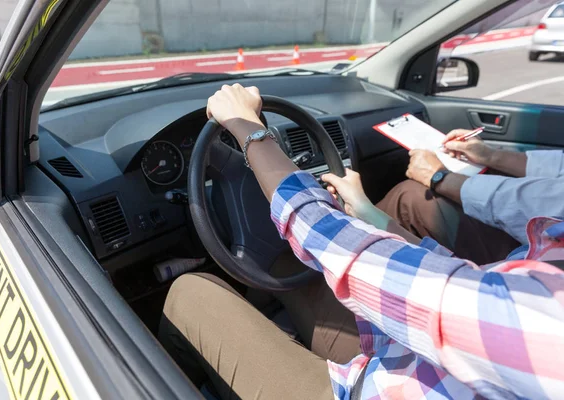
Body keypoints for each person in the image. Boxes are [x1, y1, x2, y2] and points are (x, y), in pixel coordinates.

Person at [160, 84, 564, 400]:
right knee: (289, 271)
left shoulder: (545, 327)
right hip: (419, 360)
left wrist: (249, 131)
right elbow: (470, 285)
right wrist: (370, 216)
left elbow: (319, 229)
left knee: (189, 292)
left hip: (376, 387)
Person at [370, 134, 564, 265]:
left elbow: (546, 203)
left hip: (544, 269)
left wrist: (439, 177)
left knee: (410, 197)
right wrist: (492, 156)